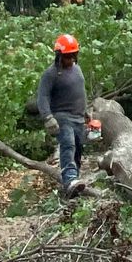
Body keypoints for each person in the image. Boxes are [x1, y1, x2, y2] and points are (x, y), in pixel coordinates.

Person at [35, 34, 91, 199]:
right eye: (67, 56)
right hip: (61, 116)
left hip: (78, 117)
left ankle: (74, 185)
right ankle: (70, 179)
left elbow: (81, 91)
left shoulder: (77, 69)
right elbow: (42, 97)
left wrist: (86, 111)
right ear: (59, 56)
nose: (71, 59)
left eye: (73, 55)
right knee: (68, 145)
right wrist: (47, 117)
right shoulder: (51, 74)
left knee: (79, 148)